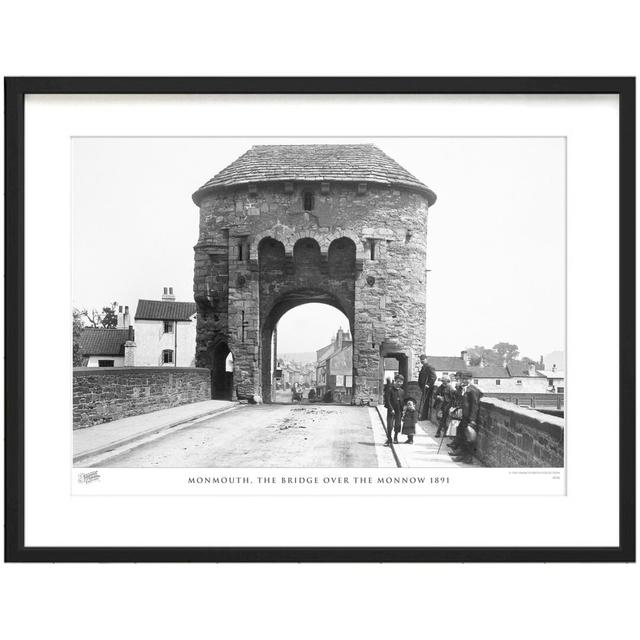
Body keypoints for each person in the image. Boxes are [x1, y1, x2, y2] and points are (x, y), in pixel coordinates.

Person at [448, 370, 482, 464]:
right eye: (462, 379)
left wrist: (472, 420)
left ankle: (468, 458)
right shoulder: (465, 389)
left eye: (466, 379)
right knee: (462, 436)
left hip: (470, 419)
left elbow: (475, 406)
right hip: (463, 417)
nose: (463, 380)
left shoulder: (472, 390)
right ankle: (462, 455)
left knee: (469, 439)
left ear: (470, 379)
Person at [384, 375, 406, 445]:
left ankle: (395, 437)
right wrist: (391, 409)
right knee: (390, 425)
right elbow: (387, 400)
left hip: (399, 410)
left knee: (398, 425)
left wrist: (403, 410)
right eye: (398, 381)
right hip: (391, 410)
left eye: (401, 382)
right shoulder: (390, 389)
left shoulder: (402, 391)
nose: (399, 383)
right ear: (395, 381)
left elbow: (403, 401)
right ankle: (389, 439)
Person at [417, 355, 437, 420]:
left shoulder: (429, 367)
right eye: (421, 360)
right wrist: (420, 385)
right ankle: (423, 416)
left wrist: (428, 384)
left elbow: (434, 377)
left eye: (423, 360)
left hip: (428, 387)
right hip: (423, 387)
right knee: (424, 401)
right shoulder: (423, 367)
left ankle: (424, 417)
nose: (422, 361)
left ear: (426, 359)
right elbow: (420, 377)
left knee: (425, 402)